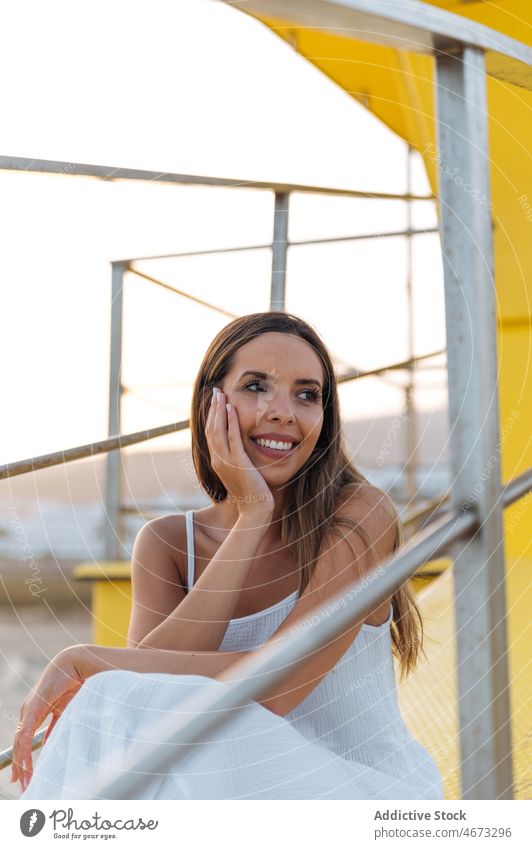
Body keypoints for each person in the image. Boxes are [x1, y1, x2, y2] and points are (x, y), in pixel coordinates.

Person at [14, 311, 444, 799]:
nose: (283, 411)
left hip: (358, 788)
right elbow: (143, 692)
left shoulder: (361, 513)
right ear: (210, 403)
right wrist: (251, 517)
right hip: (233, 787)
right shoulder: (168, 542)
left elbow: (276, 688)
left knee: (121, 692)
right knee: (121, 697)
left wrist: (86, 657)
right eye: (257, 386)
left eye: (307, 394)